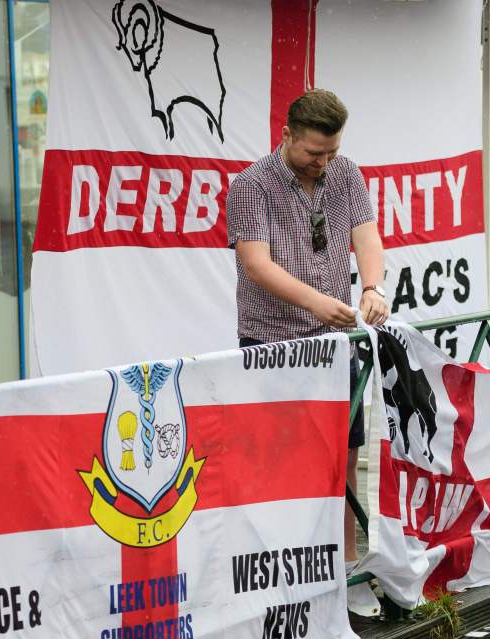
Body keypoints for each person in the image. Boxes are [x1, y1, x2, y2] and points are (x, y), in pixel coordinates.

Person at [226, 89, 389, 600]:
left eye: (331, 152)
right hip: (271, 341)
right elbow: (254, 263)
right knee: (277, 465)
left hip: (335, 340)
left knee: (341, 458)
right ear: (286, 137)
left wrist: (371, 286)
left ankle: (344, 575)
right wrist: (318, 303)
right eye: (313, 153)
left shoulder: (346, 173)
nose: (323, 163)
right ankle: (281, 581)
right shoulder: (251, 186)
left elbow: (366, 236)